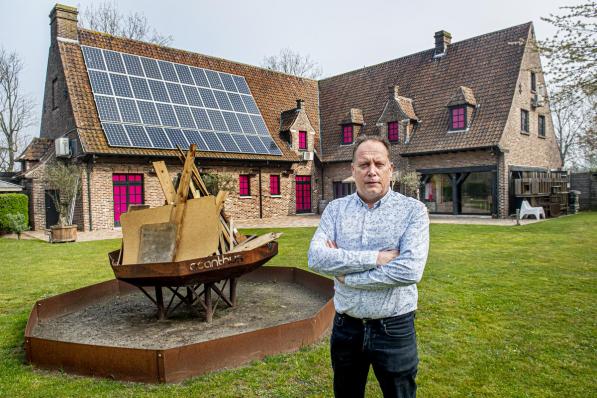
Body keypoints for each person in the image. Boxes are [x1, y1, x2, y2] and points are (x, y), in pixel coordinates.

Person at [308, 136, 429, 398]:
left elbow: (409, 271)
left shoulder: (413, 211)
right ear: (352, 170)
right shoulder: (335, 211)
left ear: (390, 169)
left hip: (394, 328)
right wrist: (375, 257)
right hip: (346, 328)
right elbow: (316, 258)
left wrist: (347, 276)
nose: (371, 171)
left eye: (378, 163)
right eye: (364, 164)